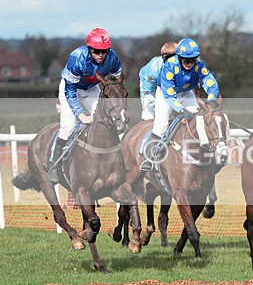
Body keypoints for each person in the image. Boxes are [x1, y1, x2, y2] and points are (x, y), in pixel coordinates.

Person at [49, 27, 123, 182]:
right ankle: (54, 164)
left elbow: (115, 82)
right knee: (69, 126)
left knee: (107, 119)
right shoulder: (77, 57)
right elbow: (70, 92)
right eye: (96, 51)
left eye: (104, 51)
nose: (100, 55)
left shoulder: (113, 59)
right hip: (71, 89)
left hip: (91, 88)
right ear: (89, 49)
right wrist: (81, 115)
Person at [151, 37, 221, 139]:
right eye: (186, 60)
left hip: (186, 92)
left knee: (198, 119)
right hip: (166, 94)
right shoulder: (170, 65)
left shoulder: (199, 63)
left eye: (193, 60)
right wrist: (181, 110)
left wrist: (211, 101)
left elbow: (210, 82)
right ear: (179, 57)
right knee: (161, 126)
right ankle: (150, 150)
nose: (190, 64)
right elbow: (169, 96)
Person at [139, 41, 177, 120]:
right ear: (163, 58)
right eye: (169, 58)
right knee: (150, 113)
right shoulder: (153, 69)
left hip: (171, 83)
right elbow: (148, 93)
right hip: (150, 82)